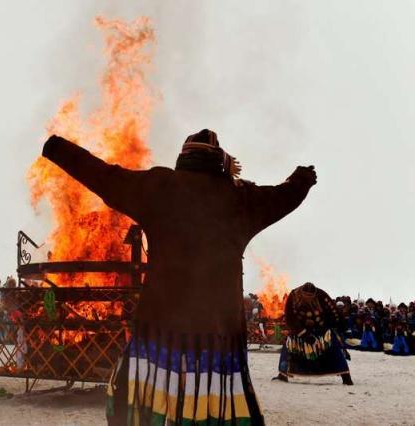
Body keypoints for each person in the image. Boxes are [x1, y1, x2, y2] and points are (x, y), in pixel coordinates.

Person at [40, 130, 316, 425]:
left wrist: (57, 148)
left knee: (148, 402)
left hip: (160, 326)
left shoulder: (159, 188)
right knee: (212, 404)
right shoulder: (241, 199)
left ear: (183, 157)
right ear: (220, 162)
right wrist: (301, 178)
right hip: (218, 330)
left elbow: (104, 176)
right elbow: (284, 196)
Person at [275, 282, 353, 385]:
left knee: (334, 347)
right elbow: (290, 317)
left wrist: (340, 326)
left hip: (321, 329)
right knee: (288, 346)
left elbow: (334, 312)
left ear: (315, 293)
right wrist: (303, 333)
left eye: (310, 296)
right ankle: (283, 374)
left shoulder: (322, 295)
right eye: (306, 295)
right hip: (299, 329)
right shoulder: (293, 296)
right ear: (301, 293)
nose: (308, 298)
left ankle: (346, 377)